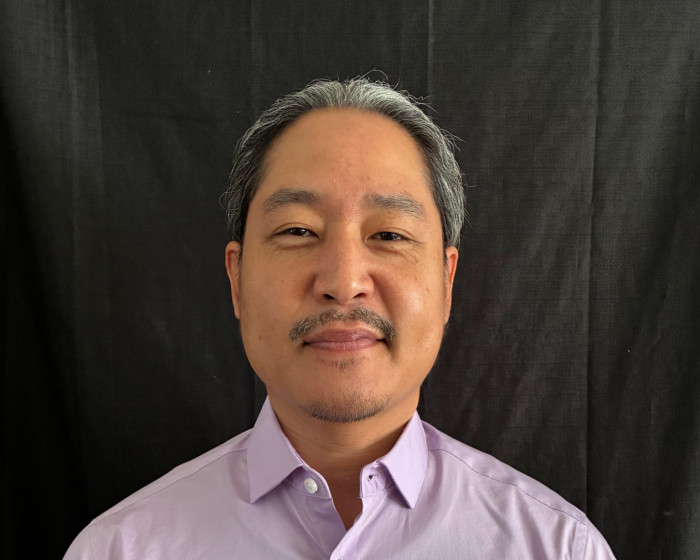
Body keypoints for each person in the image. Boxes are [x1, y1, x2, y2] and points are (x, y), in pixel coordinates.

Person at [64, 78, 615, 559]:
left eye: (389, 234)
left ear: (446, 282)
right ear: (237, 280)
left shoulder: (558, 548)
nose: (344, 280)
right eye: (298, 231)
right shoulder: (120, 549)